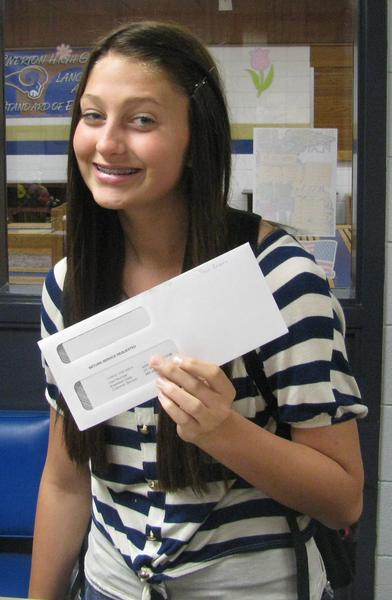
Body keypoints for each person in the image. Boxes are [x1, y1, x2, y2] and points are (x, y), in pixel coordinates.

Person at [29, 20, 367, 600]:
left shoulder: (279, 278)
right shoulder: (71, 284)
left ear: (195, 140)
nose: (107, 143)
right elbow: (66, 480)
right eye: (92, 115)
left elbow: (343, 495)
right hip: (110, 586)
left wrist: (222, 431)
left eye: (142, 120)